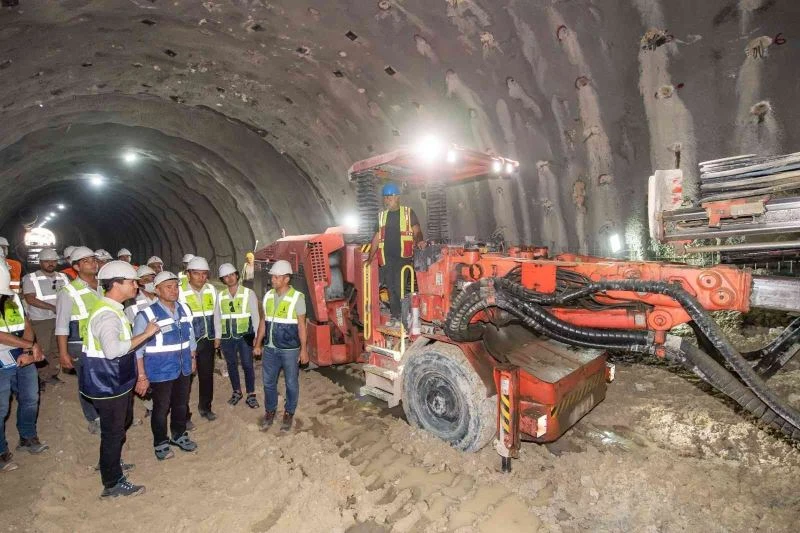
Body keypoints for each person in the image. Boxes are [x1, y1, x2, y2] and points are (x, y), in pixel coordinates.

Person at [80, 261, 159, 497]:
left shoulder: (113, 308)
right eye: (131, 282)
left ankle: (110, 462)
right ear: (116, 284)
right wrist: (145, 335)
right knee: (114, 431)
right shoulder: (107, 315)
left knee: (117, 426)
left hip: (114, 379)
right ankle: (112, 482)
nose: (137, 285)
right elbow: (113, 350)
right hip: (107, 381)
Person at [134, 271, 197, 461]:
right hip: (160, 371)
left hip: (183, 367)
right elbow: (137, 349)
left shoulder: (185, 310)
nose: (174, 290)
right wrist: (141, 376)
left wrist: (193, 358)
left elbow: (191, 338)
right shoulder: (147, 315)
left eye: (176, 286)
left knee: (180, 405)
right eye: (168, 287)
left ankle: (179, 435)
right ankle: (160, 442)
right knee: (161, 409)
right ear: (157, 290)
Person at [0, 266, 48, 473]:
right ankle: (1, 451)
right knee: (1, 408)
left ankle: (27, 437)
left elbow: (26, 322)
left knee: (30, 398)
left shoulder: (13, 298)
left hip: (20, 354)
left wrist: (29, 349)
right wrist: (28, 346)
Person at [255, 260, 307, 432]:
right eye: (273, 277)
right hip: (270, 348)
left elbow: (301, 325)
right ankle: (270, 411)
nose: (273, 280)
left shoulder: (297, 298)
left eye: (277, 277)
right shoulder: (268, 296)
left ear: (286, 279)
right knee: (268, 383)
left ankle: (289, 412)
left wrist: (304, 350)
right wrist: (258, 344)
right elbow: (264, 321)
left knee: (291, 383)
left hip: (289, 350)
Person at [55, 246, 104, 433]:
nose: (92, 263)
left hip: (103, 341)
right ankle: (94, 418)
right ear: (75, 267)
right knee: (87, 382)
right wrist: (63, 353)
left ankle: (110, 414)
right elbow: (61, 325)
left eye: (93, 259)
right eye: (86, 261)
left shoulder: (103, 286)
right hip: (80, 343)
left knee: (107, 379)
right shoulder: (68, 292)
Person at [366, 183, 426, 324]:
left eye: (389, 197)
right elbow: (376, 237)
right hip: (386, 258)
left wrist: (419, 241)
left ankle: (403, 317)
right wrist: (370, 258)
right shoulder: (381, 216)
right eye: (385, 198)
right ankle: (395, 316)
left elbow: (417, 231)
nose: (387, 200)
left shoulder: (407, 212)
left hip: (402, 257)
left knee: (399, 287)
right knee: (390, 288)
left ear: (397, 197)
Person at [213, 263, 259, 408]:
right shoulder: (220, 296)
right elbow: (217, 318)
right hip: (227, 337)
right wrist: (217, 337)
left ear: (237, 276)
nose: (230, 278)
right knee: (231, 364)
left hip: (245, 336)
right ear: (223, 279)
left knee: (247, 365)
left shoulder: (248, 293)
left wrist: (257, 337)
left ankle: (251, 394)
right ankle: (237, 392)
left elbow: (256, 316)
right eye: (226, 276)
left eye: (232, 274)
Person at [22, 248, 69, 387]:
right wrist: (53, 307)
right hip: (40, 319)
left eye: (53, 261)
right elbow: (30, 299)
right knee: (43, 349)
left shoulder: (62, 277)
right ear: (40, 262)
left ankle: (51, 374)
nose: (51, 264)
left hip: (59, 319)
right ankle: (40, 376)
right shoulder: (30, 278)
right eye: (47, 261)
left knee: (56, 349)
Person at [178, 256, 217, 422]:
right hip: (187, 343)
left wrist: (218, 336)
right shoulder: (179, 292)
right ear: (188, 274)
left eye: (204, 274)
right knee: (185, 379)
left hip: (207, 340)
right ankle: (184, 415)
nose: (201, 277)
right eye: (196, 273)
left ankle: (205, 407)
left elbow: (216, 314)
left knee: (207, 376)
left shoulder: (211, 290)